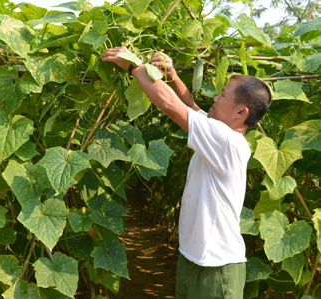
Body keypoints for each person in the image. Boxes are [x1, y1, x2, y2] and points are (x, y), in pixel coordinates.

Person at [100, 47, 272, 299]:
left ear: (241, 112)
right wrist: (171, 75)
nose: (214, 98)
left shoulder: (227, 141)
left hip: (217, 267)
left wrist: (133, 65)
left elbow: (170, 105)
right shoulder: (218, 133)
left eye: (222, 95)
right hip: (194, 257)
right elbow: (189, 105)